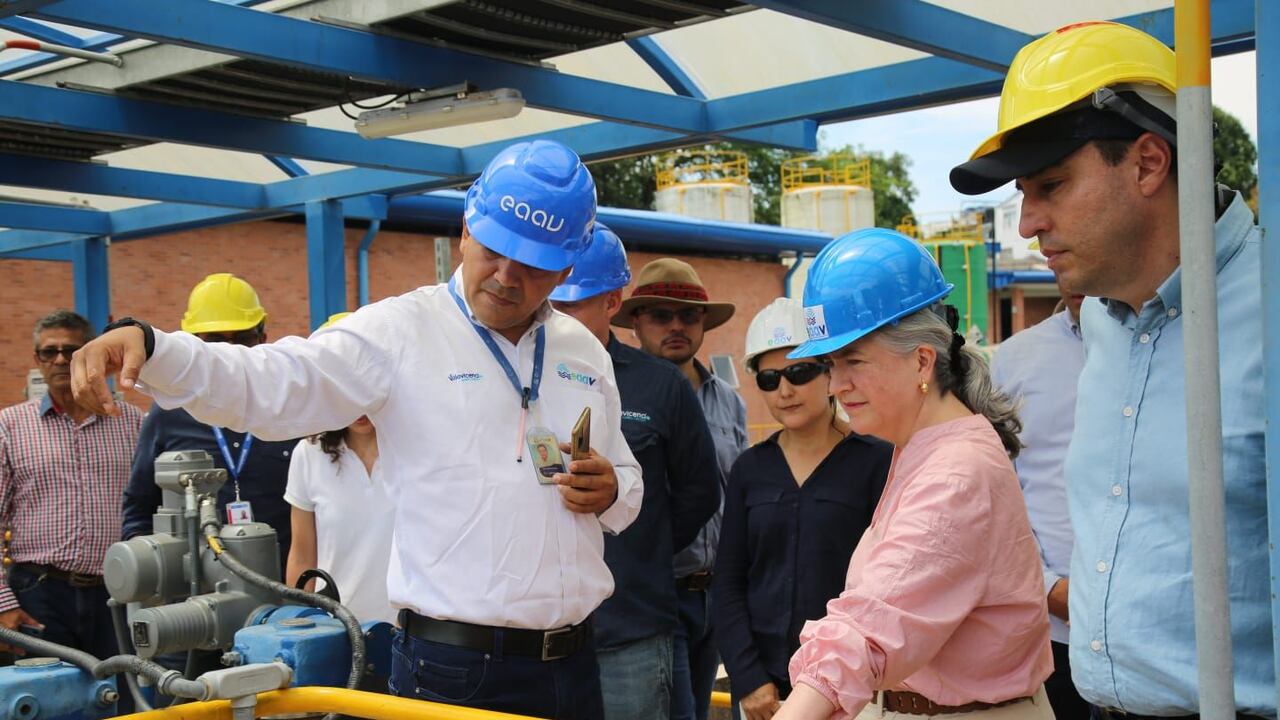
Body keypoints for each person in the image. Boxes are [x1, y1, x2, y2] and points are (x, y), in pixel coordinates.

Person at [69, 139, 643, 720]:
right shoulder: (401, 332)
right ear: (466, 230)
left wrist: (612, 488)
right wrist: (154, 347)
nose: (506, 277)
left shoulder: (581, 351)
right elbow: (273, 383)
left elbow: (626, 474)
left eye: (533, 265)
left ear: (567, 268)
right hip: (457, 670)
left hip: (575, 665)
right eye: (494, 251)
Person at [950, 20, 1273, 718]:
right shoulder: (1100, 319)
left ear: (1149, 163)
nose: (1028, 223)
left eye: (1051, 185)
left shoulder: (1267, 307)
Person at [773, 228, 1052, 720]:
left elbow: (867, 630)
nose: (836, 385)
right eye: (831, 364)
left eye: (853, 360)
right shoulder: (926, 447)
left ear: (922, 360)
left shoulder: (955, 474)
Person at [551, 223, 721, 720]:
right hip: (541, 627)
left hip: (631, 626)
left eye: (572, 305)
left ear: (611, 302)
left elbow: (699, 493)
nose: (556, 317)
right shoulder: (524, 379)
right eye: (552, 304)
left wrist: (640, 543)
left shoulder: (661, 385)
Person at [714, 298, 891, 720]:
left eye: (799, 372)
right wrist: (748, 678)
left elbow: (889, 585)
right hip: (765, 691)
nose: (785, 390)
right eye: (770, 379)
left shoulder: (878, 462)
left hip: (852, 689)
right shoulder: (750, 469)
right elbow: (728, 583)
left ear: (830, 371)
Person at [614, 257, 748, 720]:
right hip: (653, 593)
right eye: (661, 315)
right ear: (635, 322)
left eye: (689, 316)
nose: (676, 326)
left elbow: (736, 495)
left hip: (715, 593)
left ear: (703, 323)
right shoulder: (615, 396)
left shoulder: (729, 401)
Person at [122, 273, 300, 567]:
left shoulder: (288, 407)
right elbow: (139, 505)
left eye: (242, 338)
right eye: (215, 339)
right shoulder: (169, 412)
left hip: (286, 579)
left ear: (263, 338)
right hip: (201, 584)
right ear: (193, 344)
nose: (230, 350)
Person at [0, 310, 142, 669]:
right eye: (50, 352)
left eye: (71, 350)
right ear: (38, 360)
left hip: (119, 592)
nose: (61, 359)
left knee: (124, 692)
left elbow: (152, 509)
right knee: (48, 694)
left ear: (92, 354)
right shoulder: (9, 426)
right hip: (39, 595)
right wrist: (3, 603)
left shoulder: (133, 424)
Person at [990, 278, 1088, 720]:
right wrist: (1048, 587)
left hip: (1162, 640)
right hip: (1052, 636)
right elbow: (998, 493)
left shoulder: (1192, 345)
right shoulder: (1016, 359)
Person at [284, 312, 394, 625]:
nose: (357, 402)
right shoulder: (309, 454)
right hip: (336, 629)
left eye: (365, 384)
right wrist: (301, 623)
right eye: (344, 386)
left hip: (411, 632)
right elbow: (302, 555)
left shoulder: (418, 449)